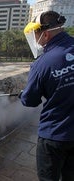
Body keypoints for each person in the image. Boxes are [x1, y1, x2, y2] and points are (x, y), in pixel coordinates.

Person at [20, 10, 74, 181]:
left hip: (55, 135)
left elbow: (30, 101)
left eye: (35, 34)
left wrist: (23, 95)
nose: (35, 39)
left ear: (45, 33)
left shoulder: (42, 64)